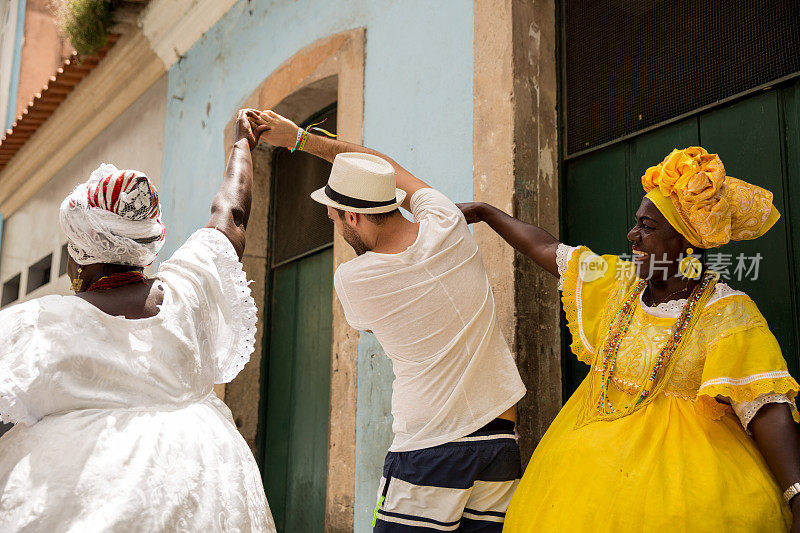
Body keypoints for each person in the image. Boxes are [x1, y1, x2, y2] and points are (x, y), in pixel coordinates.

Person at [458, 146, 800, 532]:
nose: (632, 235)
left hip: (688, 488)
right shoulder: (619, 284)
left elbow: (765, 409)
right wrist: (486, 212)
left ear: (686, 242)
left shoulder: (725, 312)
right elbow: (548, 249)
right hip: (585, 479)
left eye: (649, 227)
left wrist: (797, 495)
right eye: (637, 222)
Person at [0, 110, 276, 532]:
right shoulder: (190, 289)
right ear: (146, 243)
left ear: (84, 254)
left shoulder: (41, 323)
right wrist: (243, 143)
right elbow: (231, 215)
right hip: (209, 488)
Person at [252, 109, 527, 531]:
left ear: (354, 216)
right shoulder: (447, 221)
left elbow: (367, 323)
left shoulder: (353, 280)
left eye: (334, 213)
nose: (331, 219)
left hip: (430, 450)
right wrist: (300, 138)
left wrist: (296, 141)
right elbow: (389, 168)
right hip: (499, 441)